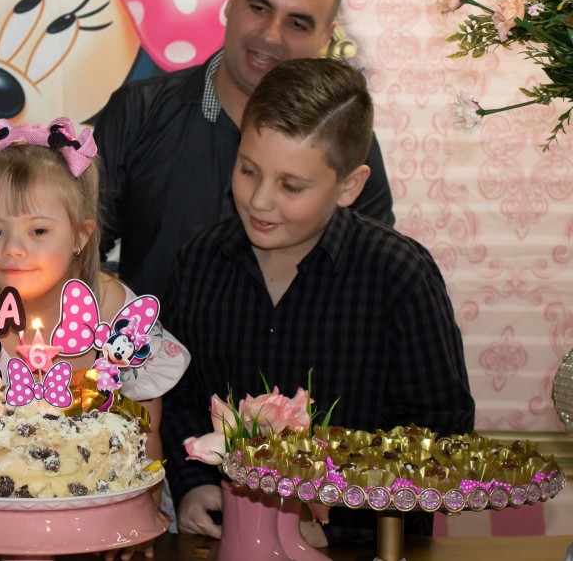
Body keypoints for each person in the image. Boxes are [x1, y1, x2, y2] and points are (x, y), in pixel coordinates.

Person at [160, 58, 474, 543]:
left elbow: (440, 436)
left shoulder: (398, 275)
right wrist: (192, 484)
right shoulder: (200, 262)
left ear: (349, 185)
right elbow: (178, 394)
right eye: (248, 170)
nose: (260, 200)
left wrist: (337, 522)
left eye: (291, 186)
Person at [94, 0, 395, 299]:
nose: (270, 35)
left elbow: (372, 275)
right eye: (259, 7)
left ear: (325, 37)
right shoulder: (139, 111)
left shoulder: (344, 137)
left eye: (297, 24)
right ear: (233, 0)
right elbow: (79, 243)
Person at [0, 118, 191, 463]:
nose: (13, 248)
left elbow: (146, 442)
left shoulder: (116, 314)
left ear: (80, 235)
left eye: (38, 231)